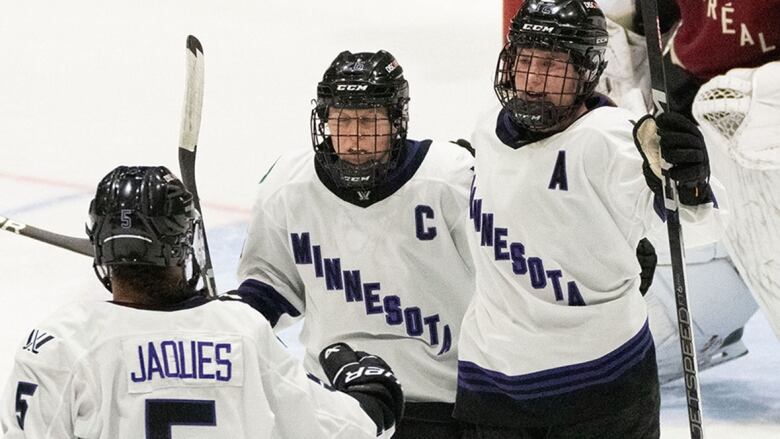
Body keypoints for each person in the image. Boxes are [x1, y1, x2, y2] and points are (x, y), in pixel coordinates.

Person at [454, 1, 723, 437]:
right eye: (525, 60)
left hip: (598, 390)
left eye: (552, 64)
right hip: (490, 389)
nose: (534, 79)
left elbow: (699, 227)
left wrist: (689, 182)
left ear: (585, 72)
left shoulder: (612, 139)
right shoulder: (488, 130)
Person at [0, 166, 403, 438]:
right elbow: (349, 428)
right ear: (184, 242)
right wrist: (371, 390)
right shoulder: (243, 334)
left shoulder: (59, 346)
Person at [237, 50, 475, 438]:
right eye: (342, 121)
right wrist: (231, 316)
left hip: (439, 402)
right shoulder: (289, 185)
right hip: (336, 404)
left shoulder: (449, 179)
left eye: (368, 121)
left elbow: (502, 283)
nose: (354, 138)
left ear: (396, 122)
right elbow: (272, 285)